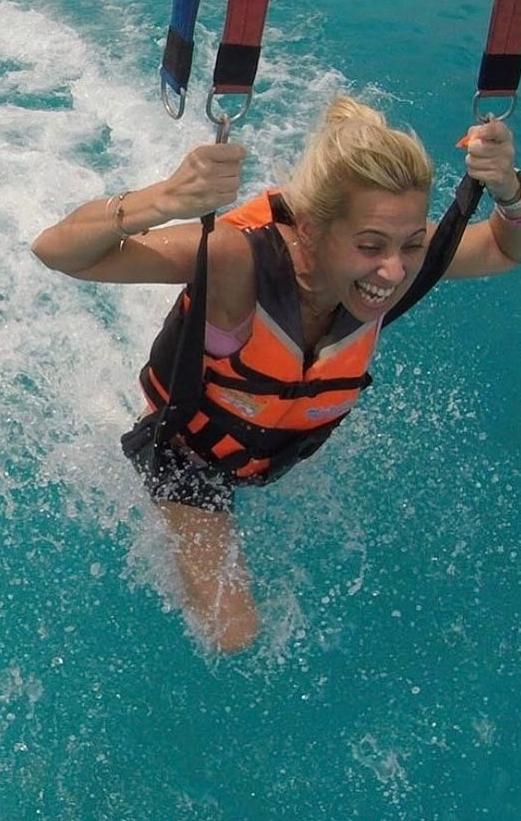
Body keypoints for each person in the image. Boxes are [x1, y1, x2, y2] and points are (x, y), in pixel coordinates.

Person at [32, 96, 521, 654]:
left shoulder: (397, 260)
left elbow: (505, 249)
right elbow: (57, 252)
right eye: (370, 246)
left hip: (272, 446)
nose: (394, 269)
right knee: (234, 637)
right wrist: (163, 199)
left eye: (410, 243)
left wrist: (508, 190)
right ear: (311, 230)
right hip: (188, 458)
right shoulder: (235, 261)